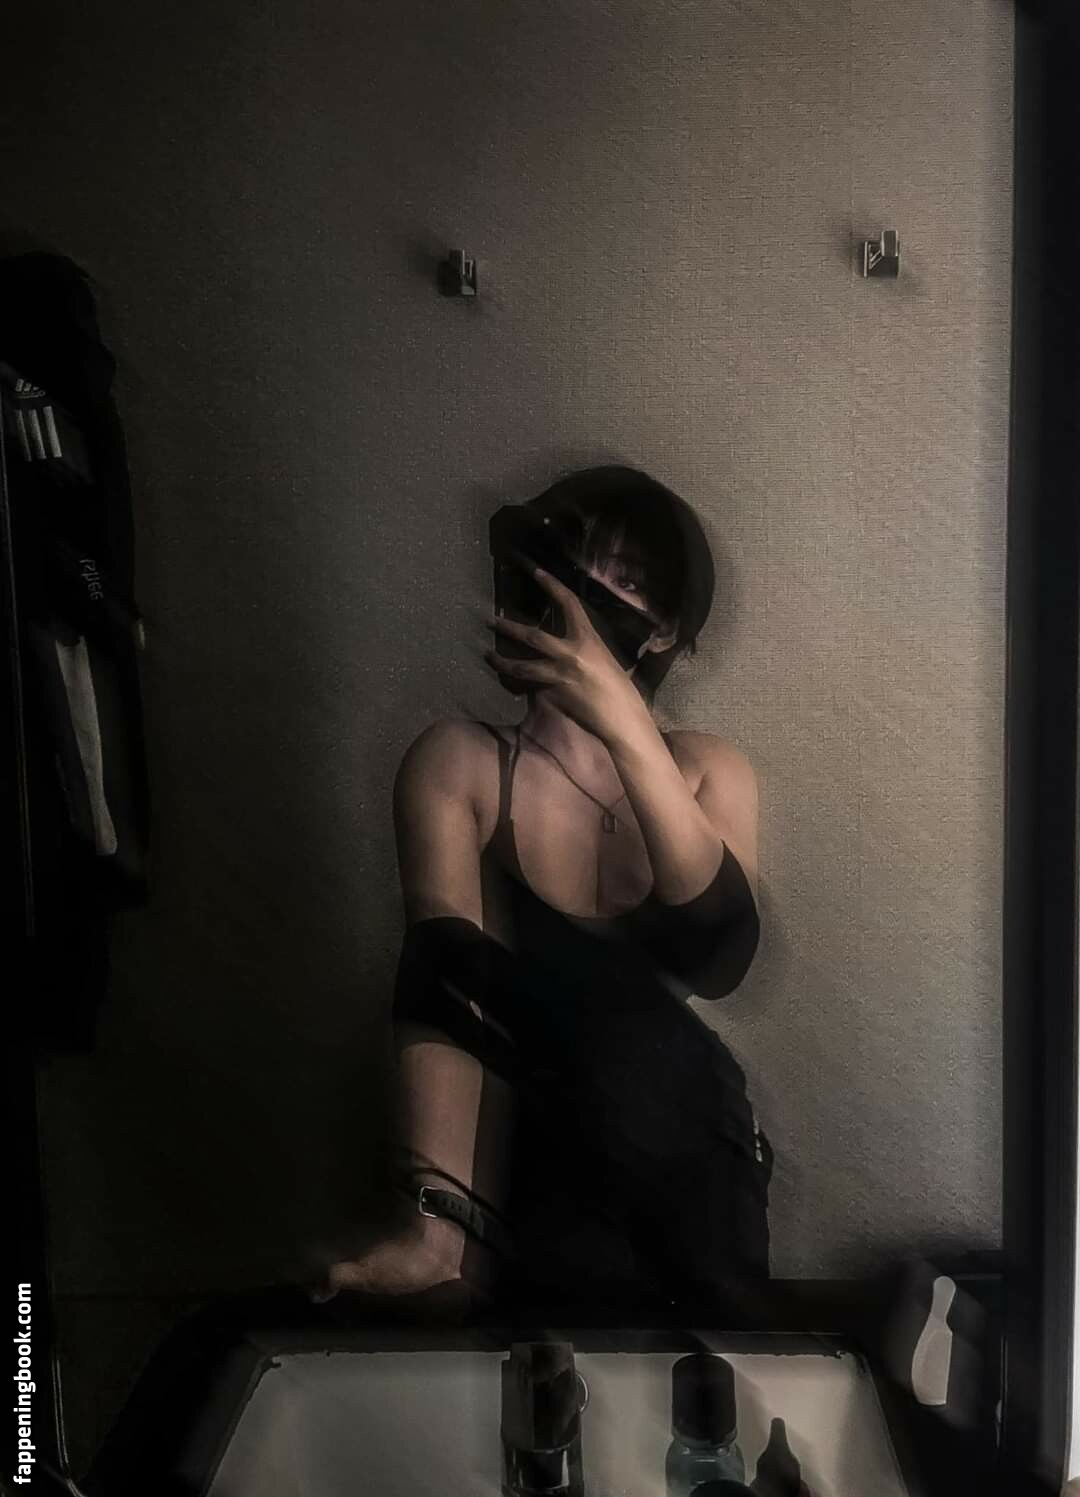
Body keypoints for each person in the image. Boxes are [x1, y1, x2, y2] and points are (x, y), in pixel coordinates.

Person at [313, 465, 772, 1315]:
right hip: (534, 1168)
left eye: (627, 577)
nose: (590, 587)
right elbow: (445, 989)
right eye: (577, 557)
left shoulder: (709, 769)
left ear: (664, 629)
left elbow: (719, 956)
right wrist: (434, 1229)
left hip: (695, 1166)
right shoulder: (459, 764)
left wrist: (623, 723)